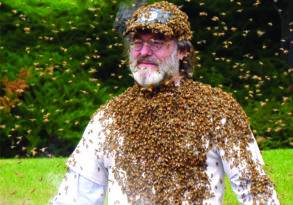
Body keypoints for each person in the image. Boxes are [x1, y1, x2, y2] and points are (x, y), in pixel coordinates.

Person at [51, 1, 279, 205]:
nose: (144, 51)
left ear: (183, 51)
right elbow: (75, 197)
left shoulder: (218, 111)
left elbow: (256, 192)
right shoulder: (107, 118)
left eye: (157, 42)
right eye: (137, 42)